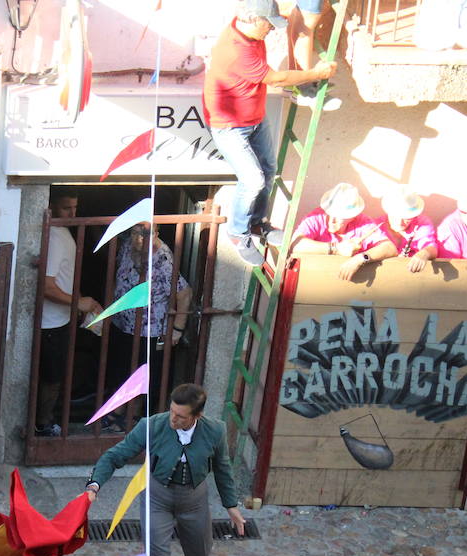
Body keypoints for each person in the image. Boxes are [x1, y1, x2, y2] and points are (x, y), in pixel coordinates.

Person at [85, 383, 247, 556]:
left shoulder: (214, 430)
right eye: (172, 411)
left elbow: (222, 468)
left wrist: (231, 506)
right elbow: (115, 456)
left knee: (200, 549)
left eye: (181, 416)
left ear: (197, 416)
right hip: (157, 499)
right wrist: (94, 485)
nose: (174, 418)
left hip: (194, 500)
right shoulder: (152, 426)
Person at [202, 0, 339, 267]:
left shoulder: (247, 28)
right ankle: (238, 233)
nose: (271, 30)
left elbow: (287, 21)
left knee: (268, 169)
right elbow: (276, 79)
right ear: (253, 20)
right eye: (268, 24)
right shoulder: (235, 51)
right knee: (252, 180)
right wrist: (315, 73)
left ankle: (257, 224)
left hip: (254, 116)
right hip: (230, 127)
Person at [102, 223, 191, 431]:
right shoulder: (127, 246)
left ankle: (131, 418)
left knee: (142, 374)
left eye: (146, 235)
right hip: (124, 325)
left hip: (150, 330)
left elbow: (185, 294)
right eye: (135, 233)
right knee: (123, 369)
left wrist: (177, 329)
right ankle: (119, 411)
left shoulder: (163, 259)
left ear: (156, 235)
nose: (140, 239)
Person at [37, 191, 102, 436]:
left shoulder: (63, 233)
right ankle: (43, 426)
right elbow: (47, 285)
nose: (73, 214)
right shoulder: (54, 236)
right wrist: (78, 302)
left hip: (60, 317)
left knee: (55, 375)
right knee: (51, 378)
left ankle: (46, 421)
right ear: (52, 207)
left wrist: (77, 303)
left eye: (75, 208)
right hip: (51, 322)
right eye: (66, 208)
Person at [290, 182, 397, 281]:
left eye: (339, 217)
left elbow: (390, 248)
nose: (332, 220)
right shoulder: (316, 217)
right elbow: (295, 245)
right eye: (329, 213)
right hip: (313, 279)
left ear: (352, 217)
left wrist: (360, 258)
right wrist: (336, 249)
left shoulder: (363, 222)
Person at [380, 187, 437, 273]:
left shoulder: (422, 223)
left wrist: (424, 253)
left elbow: (430, 246)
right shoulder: (377, 226)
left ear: (415, 215)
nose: (399, 222)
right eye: (395, 216)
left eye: (406, 218)